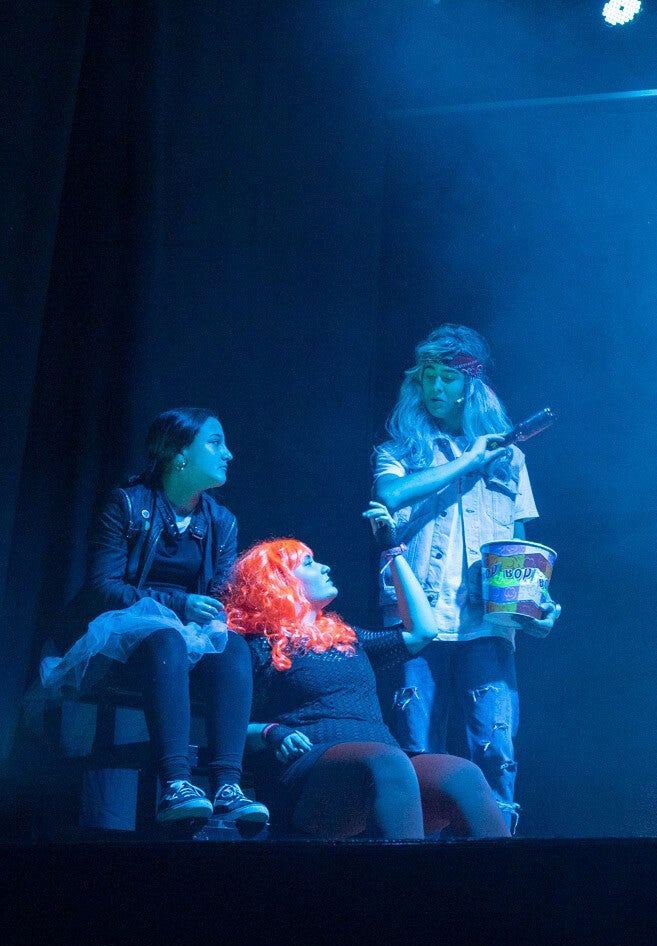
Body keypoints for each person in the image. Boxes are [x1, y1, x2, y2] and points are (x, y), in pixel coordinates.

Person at [372, 324, 560, 832]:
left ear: (471, 385)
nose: (435, 387)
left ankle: (493, 856)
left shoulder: (511, 459)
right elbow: (390, 496)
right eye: (428, 375)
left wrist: (538, 607)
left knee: (495, 749)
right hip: (419, 622)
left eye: (448, 377)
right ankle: (413, 853)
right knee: (416, 749)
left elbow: (520, 551)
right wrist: (470, 459)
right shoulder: (400, 451)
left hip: (486, 625)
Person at [222, 514, 510, 839]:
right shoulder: (255, 646)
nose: (325, 568)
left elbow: (424, 631)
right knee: (386, 761)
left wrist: (392, 551)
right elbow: (225, 728)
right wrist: (269, 731)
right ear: (279, 581)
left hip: (384, 768)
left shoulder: (348, 638)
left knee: (462, 775)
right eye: (309, 564)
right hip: (308, 774)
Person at [50, 407, 266, 825]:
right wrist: (179, 604)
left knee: (232, 647)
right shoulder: (127, 504)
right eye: (215, 442)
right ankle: (176, 783)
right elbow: (102, 589)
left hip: (182, 639)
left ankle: (228, 785)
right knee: (165, 638)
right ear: (180, 453)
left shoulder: (221, 522)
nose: (228, 454)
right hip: (118, 637)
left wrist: (206, 613)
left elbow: (218, 596)